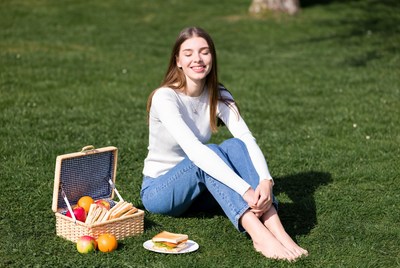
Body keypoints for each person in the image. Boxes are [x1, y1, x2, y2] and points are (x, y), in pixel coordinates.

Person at [140, 26, 308, 261]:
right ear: (177, 61)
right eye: (188, 53)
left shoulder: (217, 94)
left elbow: (247, 139)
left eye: (204, 52)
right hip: (161, 191)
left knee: (235, 146)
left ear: (212, 57)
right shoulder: (165, 97)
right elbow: (196, 153)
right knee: (206, 156)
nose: (197, 59)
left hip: (199, 193)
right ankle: (259, 235)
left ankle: (279, 231)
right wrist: (246, 190)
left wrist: (266, 181)